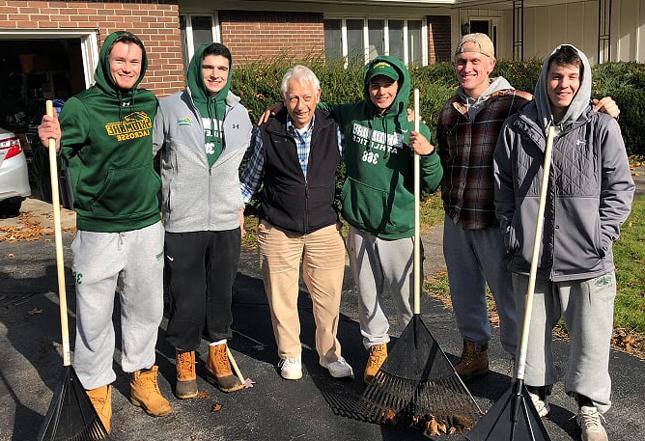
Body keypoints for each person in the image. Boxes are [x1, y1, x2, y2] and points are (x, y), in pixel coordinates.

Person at [436, 33, 620, 380]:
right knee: (463, 293)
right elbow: (447, 160)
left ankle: (524, 373)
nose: (468, 67)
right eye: (461, 61)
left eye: (476, 61)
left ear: (491, 65)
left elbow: (563, 111)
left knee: (511, 304)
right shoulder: (450, 109)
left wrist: (604, 109)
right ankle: (474, 351)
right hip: (458, 216)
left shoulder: (514, 103)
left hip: (496, 222)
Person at [494, 44, 634, 441]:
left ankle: (589, 408)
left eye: (572, 77)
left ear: (583, 80)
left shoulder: (600, 128)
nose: (564, 84)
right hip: (531, 257)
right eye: (557, 76)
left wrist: (601, 237)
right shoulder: (519, 128)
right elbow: (502, 188)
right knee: (532, 335)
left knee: (590, 338)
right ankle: (535, 394)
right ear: (545, 78)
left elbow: (620, 190)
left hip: (586, 259)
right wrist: (512, 232)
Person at [37, 31, 172, 434]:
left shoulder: (149, 103)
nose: (127, 67)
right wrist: (50, 138)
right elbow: (58, 146)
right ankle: (96, 391)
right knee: (94, 316)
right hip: (98, 229)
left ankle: (142, 376)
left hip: (146, 224)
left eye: (134, 61)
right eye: (120, 60)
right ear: (105, 63)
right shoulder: (82, 107)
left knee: (145, 308)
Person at [323, 56, 442, 383]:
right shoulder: (352, 114)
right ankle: (377, 346)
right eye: (375, 84)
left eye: (387, 84)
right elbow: (316, 105)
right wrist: (280, 106)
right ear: (367, 86)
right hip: (361, 223)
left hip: (399, 227)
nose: (380, 91)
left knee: (408, 299)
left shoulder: (413, 128)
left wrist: (427, 153)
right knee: (367, 293)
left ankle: (412, 349)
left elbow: (432, 183)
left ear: (399, 86)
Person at [240, 65, 353, 381]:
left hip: (324, 227)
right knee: (282, 298)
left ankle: (330, 355)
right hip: (278, 228)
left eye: (306, 97)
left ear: (318, 96)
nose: (300, 106)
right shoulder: (268, 131)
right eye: (292, 98)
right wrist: (237, 210)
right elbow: (251, 178)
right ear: (283, 100)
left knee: (328, 300)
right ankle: (290, 355)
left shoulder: (334, 129)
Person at [153, 43, 253, 396]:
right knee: (187, 294)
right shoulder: (168, 107)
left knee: (221, 293)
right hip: (182, 220)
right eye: (209, 67)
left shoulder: (240, 114)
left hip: (225, 220)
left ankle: (217, 354)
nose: (215, 74)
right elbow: (145, 159)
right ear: (197, 68)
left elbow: (245, 166)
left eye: (222, 69)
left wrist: (240, 204)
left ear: (229, 73)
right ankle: (184, 356)